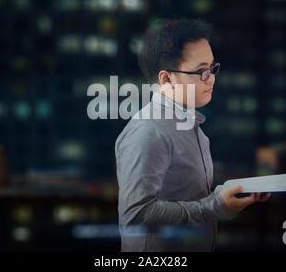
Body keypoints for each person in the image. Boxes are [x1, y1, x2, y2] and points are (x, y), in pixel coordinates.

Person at [115, 18, 271, 252]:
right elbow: (137, 214)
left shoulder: (188, 125)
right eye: (201, 71)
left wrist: (226, 197)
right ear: (166, 78)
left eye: (212, 68)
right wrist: (215, 205)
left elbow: (188, 200)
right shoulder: (149, 130)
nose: (211, 78)